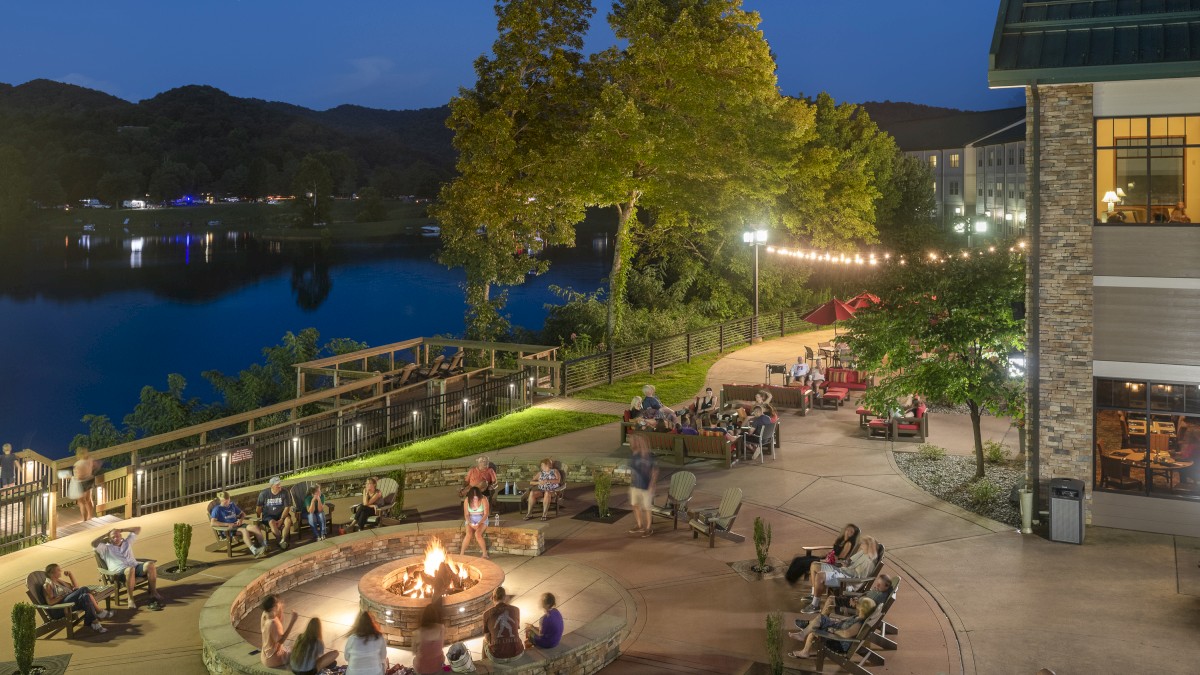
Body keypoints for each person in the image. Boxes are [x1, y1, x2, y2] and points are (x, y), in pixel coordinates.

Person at [92, 526, 164, 610]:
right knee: (130, 570)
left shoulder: (127, 542)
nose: (116, 538)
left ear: (121, 536)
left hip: (134, 567)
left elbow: (138, 529)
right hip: (119, 573)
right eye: (113, 537)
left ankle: (153, 592)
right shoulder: (105, 548)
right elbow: (93, 543)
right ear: (110, 539)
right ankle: (131, 599)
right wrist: (106, 534)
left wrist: (122, 529)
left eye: (118, 536)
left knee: (150, 564)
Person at [804, 535, 880, 613]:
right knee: (814, 565)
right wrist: (846, 563)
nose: (861, 546)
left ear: (868, 546)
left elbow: (858, 578)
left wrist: (846, 568)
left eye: (863, 544)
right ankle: (813, 595)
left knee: (820, 576)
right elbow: (850, 560)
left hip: (847, 580)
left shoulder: (869, 563)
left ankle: (815, 605)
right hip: (843, 571)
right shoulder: (863, 553)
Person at [787, 596, 876, 659]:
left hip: (839, 643)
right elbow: (845, 623)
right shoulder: (858, 617)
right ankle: (804, 632)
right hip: (837, 631)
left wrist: (834, 631)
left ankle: (804, 647)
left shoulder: (858, 623)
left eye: (858, 602)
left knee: (815, 629)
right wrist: (837, 621)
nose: (856, 602)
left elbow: (846, 634)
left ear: (861, 608)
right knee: (821, 619)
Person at [795, 574, 893, 629]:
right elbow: (866, 597)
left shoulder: (880, 596)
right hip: (856, 601)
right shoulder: (880, 591)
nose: (877, 586)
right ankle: (815, 623)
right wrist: (856, 598)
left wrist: (856, 603)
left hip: (857, 607)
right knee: (831, 599)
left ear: (887, 586)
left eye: (880, 585)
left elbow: (868, 607)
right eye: (877, 584)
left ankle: (814, 624)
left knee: (830, 601)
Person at [42, 563, 111, 633]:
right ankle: (99, 612)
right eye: (58, 570)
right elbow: (50, 602)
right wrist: (63, 596)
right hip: (61, 608)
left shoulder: (59, 581)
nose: (61, 571)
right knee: (84, 589)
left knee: (86, 596)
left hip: (70, 603)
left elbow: (76, 588)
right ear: (52, 573)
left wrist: (70, 575)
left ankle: (93, 622)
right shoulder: (48, 585)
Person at [785, 523, 860, 586]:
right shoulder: (842, 539)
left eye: (851, 532)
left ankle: (791, 580)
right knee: (798, 559)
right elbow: (835, 550)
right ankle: (789, 577)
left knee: (804, 563)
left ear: (853, 534)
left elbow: (840, 558)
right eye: (848, 529)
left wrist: (825, 559)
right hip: (828, 558)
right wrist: (828, 554)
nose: (848, 532)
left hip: (832, 563)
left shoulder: (848, 543)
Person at [212, 490, 268, 558]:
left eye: (228, 500)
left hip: (238, 525)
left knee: (255, 527)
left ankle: (264, 546)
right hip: (229, 529)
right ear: (221, 501)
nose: (227, 502)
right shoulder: (217, 509)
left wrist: (240, 520)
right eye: (225, 501)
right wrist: (227, 524)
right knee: (244, 530)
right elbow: (213, 523)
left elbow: (243, 514)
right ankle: (255, 551)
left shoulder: (232, 505)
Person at [627, 434, 658, 537]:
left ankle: (648, 528)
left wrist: (651, 485)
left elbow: (654, 471)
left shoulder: (649, 456)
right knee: (635, 505)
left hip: (646, 486)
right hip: (635, 485)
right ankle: (639, 525)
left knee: (647, 507)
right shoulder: (634, 454)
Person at [482, 586, 523, 662]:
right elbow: (515, 628)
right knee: (508, 630)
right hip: (517, 653)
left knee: (484, 641)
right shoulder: (516, 610)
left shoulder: (486, 614)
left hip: (497, 656)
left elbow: (487, 638)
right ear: (505, 597)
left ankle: (486, 665)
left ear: (493, 598)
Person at [260, 594, 299, 668]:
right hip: (273, 659)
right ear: (273, 607)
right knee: (301, 650)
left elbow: (278, 629)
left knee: (292, 646)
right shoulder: (273, 623)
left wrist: (280, 611)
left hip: (265, 655)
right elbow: (281, 640)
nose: (280, 603)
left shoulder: (265, 614)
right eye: (278, 603)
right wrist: (292, 621)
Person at [257, 477, 295, 549]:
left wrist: (281, 519)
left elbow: (287, 507)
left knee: (288, 520)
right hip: (269, 516)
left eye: (279, 484)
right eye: (277, 485)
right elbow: (258, 508)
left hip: (281, 514)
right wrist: (258, 517)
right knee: (272, 522)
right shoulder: (263, 494)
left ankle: (283, 540)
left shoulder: (285, 492)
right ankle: (280, 541)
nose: (279, 486)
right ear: (272, 486)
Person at [412, 599, 447, 674]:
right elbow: (442, 646)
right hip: (438, 665)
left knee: (415, 660)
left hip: (423, 668)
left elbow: (414, 651)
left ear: (423, 617)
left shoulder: (417, 633)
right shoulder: (441, 628)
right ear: (436, 616)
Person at [69, 447, 102, 522]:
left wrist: (72, 477)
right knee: (89, 500)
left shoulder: (77, 464)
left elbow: (78, 476)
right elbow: (98, 464)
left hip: (81, 483)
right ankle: (90, 516)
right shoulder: (90, 460)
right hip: (89, 480)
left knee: (81, 502)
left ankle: (84, 519)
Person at [461, 487, 490, 558]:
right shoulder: (467, 500)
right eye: (473, 496)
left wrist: (479, 523)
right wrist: (470, 523)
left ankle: (484, 553)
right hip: (471, 518)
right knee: (468, 534)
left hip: (482, 518)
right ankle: (461, 553)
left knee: (478, 534)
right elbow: (466, 515)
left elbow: (486, 514)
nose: (475, 497)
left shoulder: (484, 499)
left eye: (476, 495)